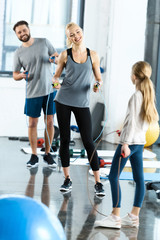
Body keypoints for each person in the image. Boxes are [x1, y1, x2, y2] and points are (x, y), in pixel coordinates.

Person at [95, 61, 159, 228]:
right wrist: (125, 134)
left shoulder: (136, 96)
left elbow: (131, 124)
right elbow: (140, 123)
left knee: (113, 176)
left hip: (129, 145)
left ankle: (115, 216)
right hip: (139, 144)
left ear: (134, 76)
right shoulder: (148, 95)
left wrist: (125, 143)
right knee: (139, 179)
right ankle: (134, 216)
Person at [52, 22, 105, 196]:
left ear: (82, 32)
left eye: (78, 32)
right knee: (65, 139)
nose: (76, 36)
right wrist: (55, 83)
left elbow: (98, 78)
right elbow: (56, 76)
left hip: (82, 102)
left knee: (88, 141)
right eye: (72, 34)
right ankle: (67, 179)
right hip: (64, 100)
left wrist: (97, 85)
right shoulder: (65, 55)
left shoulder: (93, 55)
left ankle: (98, 182)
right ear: (69, 38)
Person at [13, 20, 58, 168]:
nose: (22, 33)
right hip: (32, 92)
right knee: (33, 123)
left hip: (50, 90)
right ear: (17, 35)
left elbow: (57, 57)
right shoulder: (18, 53)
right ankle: (34, 155)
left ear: (28, 29)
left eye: (24, 30)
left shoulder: (44, 42)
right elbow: (15, 74)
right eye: (19, 32)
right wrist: (21, 76)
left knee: (50, 122)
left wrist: (54, 59)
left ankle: (47, 153)